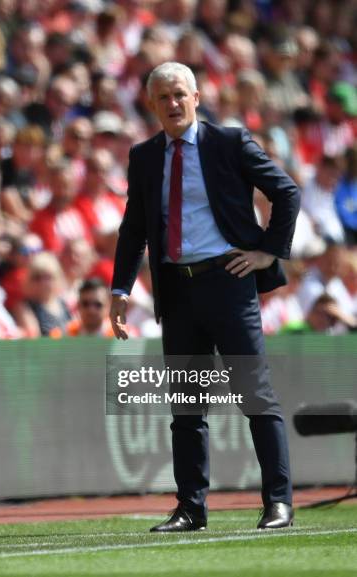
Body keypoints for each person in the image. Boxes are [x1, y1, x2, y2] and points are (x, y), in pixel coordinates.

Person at [110, 62, 300, 532]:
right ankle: (191, 508)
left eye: (179, 95)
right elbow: (135, 227)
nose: (172, 104)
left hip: (228, 282)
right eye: (163, 98)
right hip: (176, 288)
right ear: (151, 105)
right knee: (186, 406)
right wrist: (120, 288)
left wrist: (266, 253)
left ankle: (279, 502)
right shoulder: (145, 154)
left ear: (196, 97)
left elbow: (287, 192)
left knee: (255, 395)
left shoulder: (229, 142)